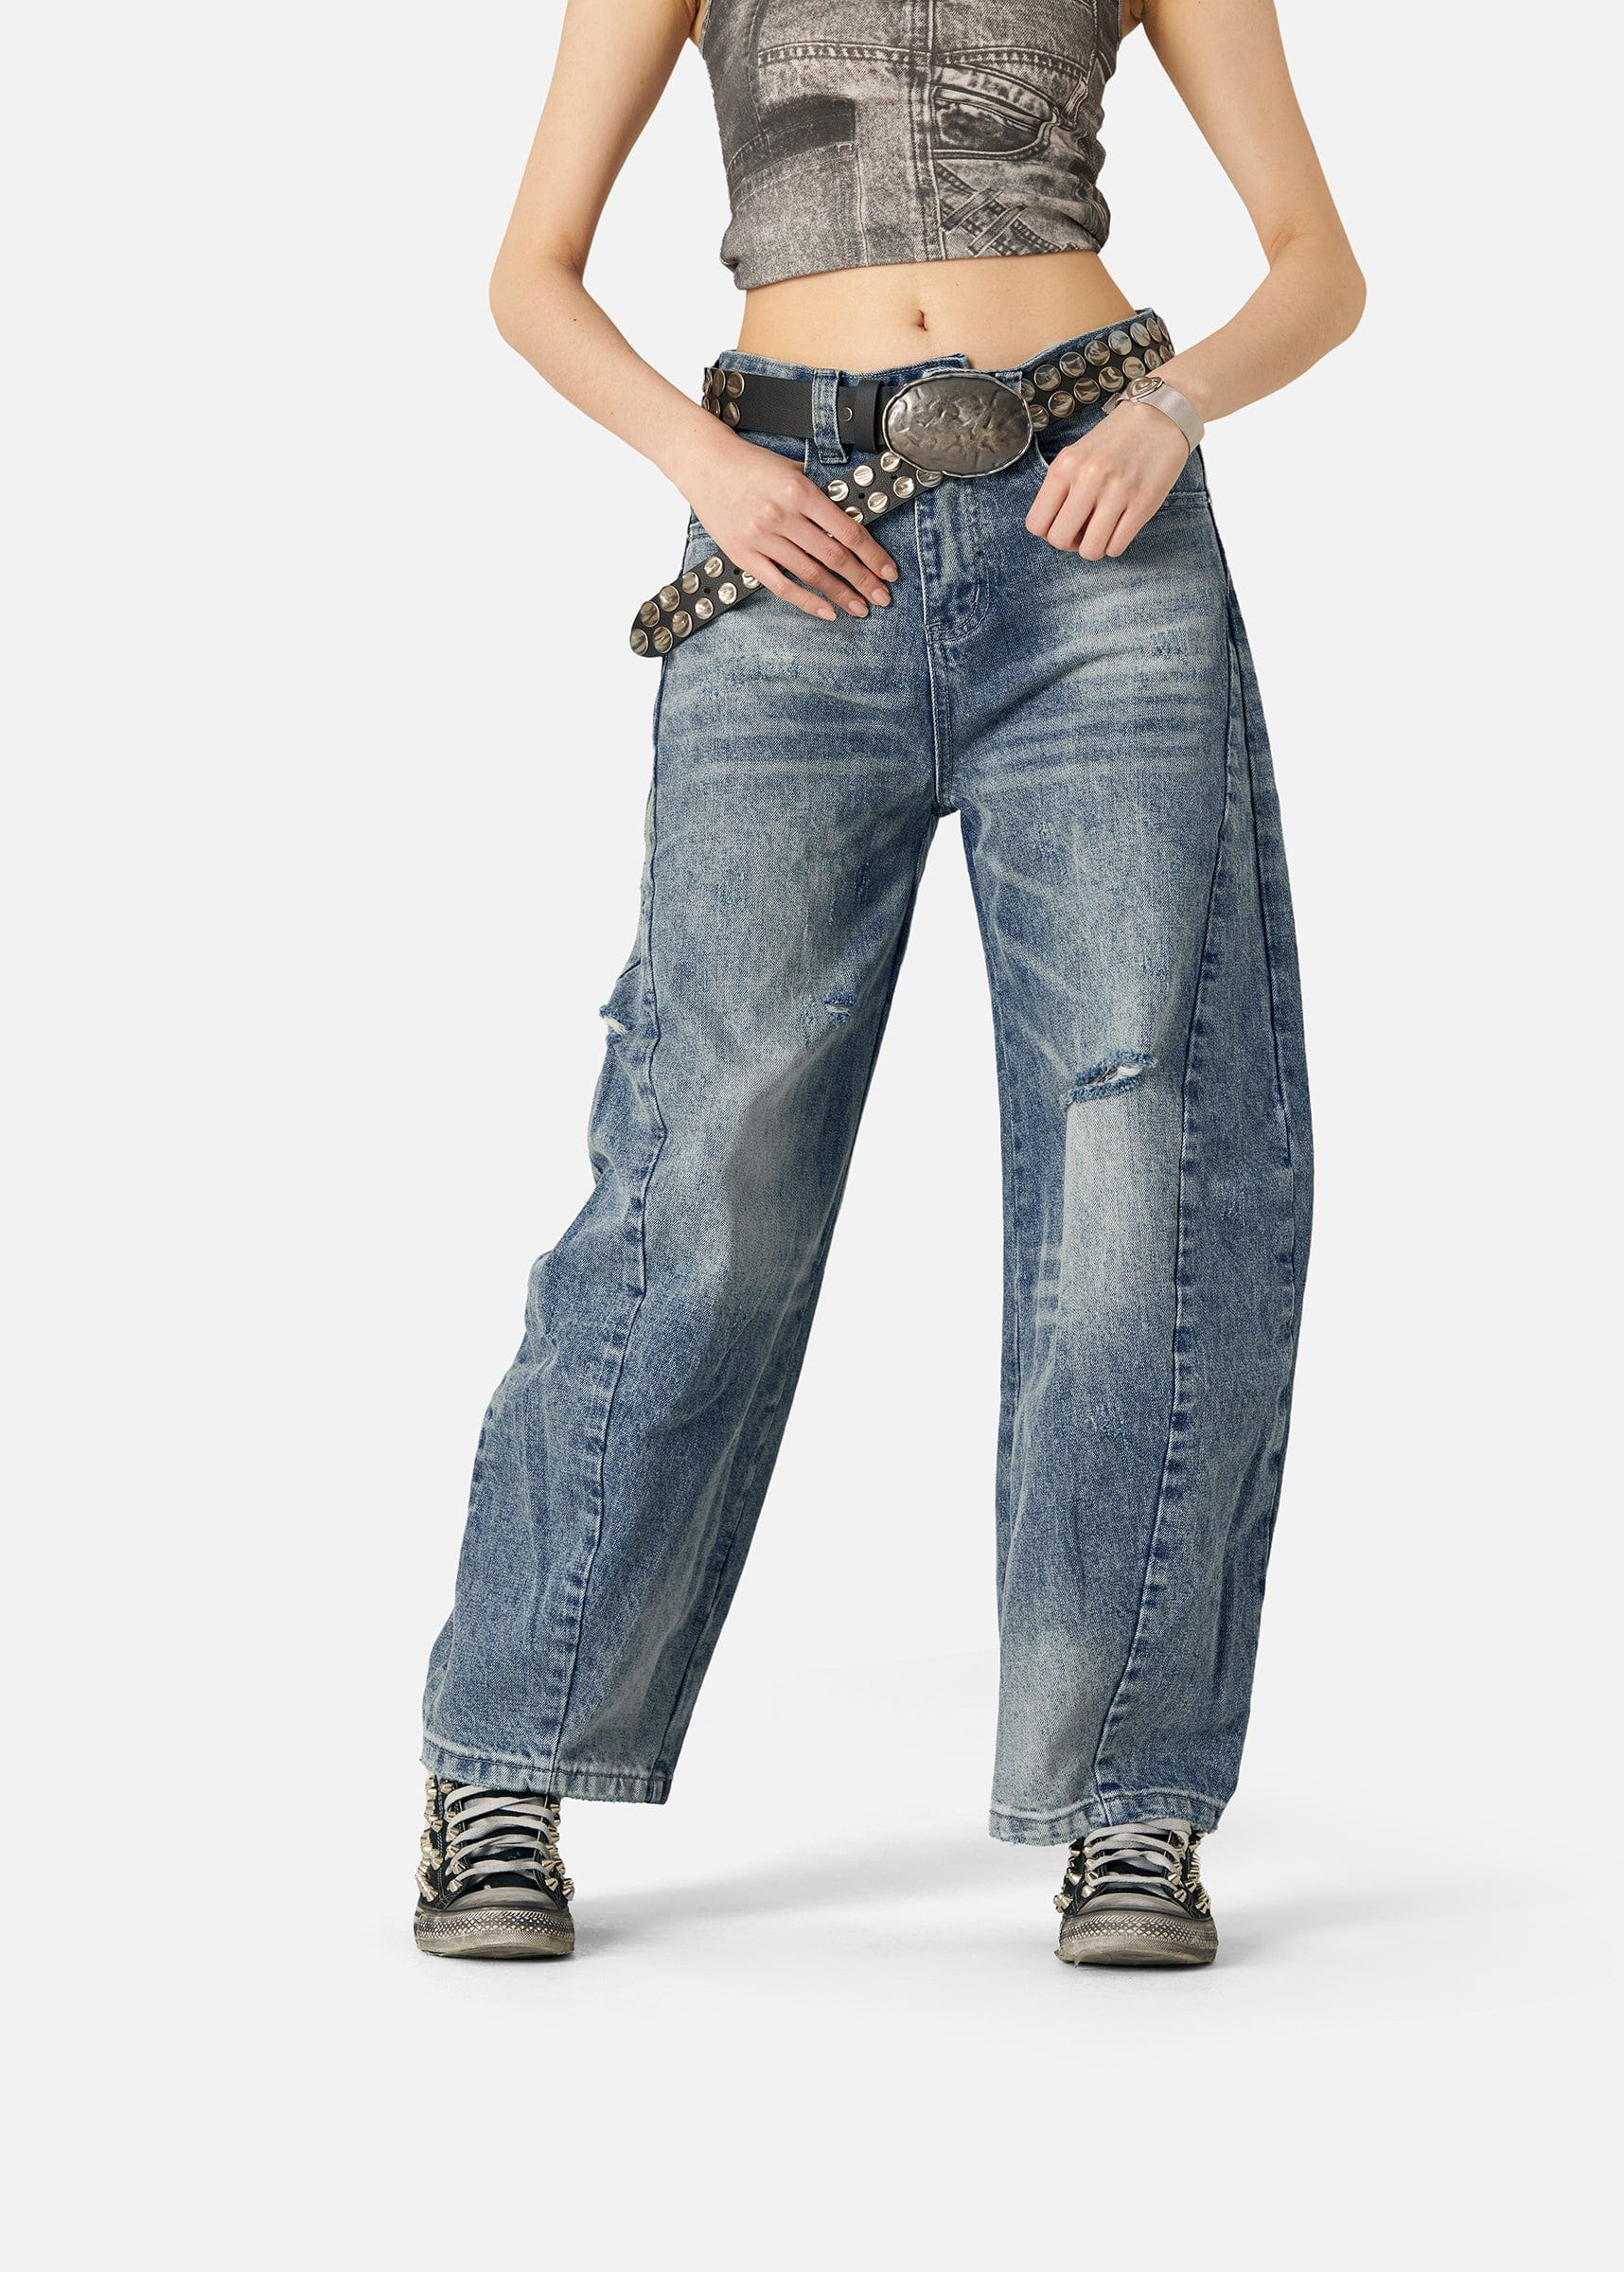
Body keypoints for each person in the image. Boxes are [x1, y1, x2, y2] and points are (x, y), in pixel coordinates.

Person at [414, 0, 1363, 1966]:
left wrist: (1171, 409)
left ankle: (1132, 1802)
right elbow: (532, 274)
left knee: (1146, 1152)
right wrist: (707, 465)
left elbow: (1316, 267)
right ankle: (507, 1756)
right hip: (787, 537)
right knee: (705, 1158)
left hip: (1096, 534)